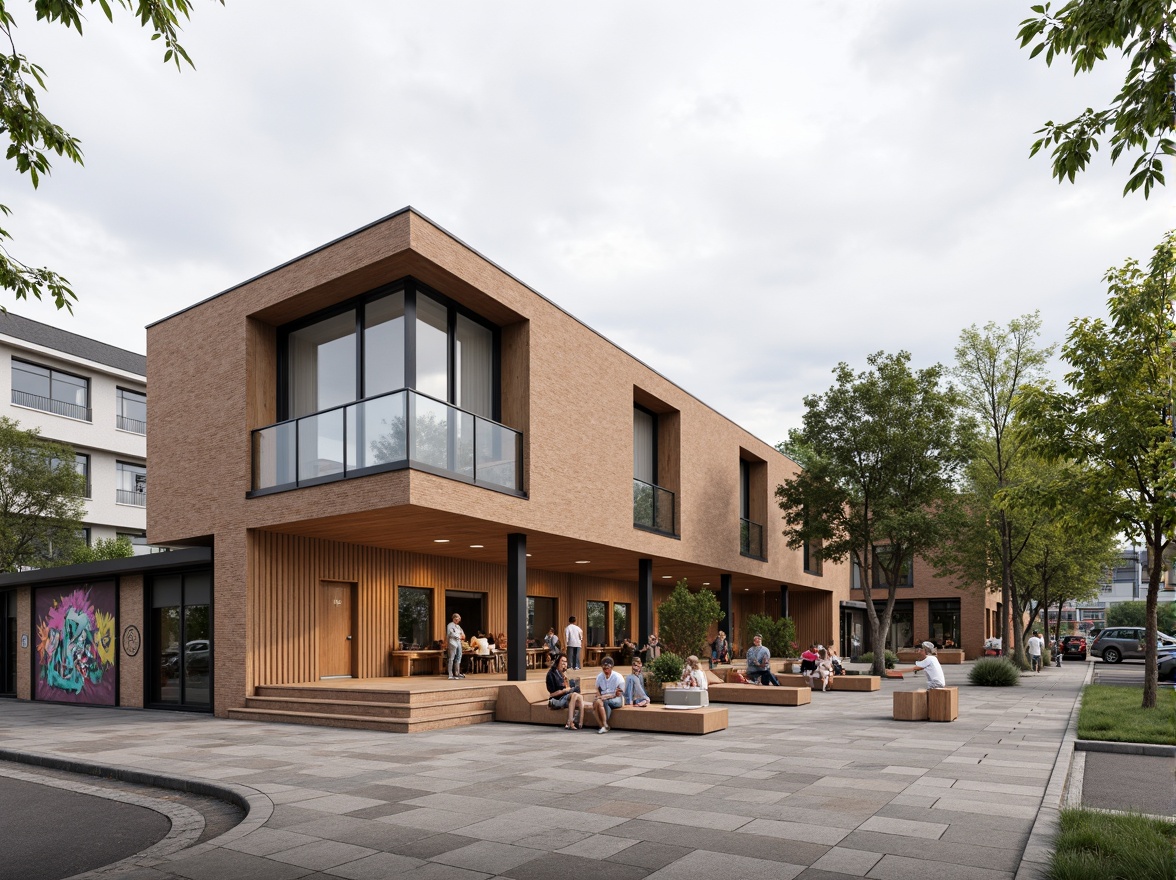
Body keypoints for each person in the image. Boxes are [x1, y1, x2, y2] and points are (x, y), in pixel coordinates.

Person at [546, 653, 585, 730]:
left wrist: (569, 682)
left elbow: (571, 688)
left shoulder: (565, 673)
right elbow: (552, 694)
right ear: (557, 662)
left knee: (579, 696)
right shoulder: (551, 674)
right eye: (562, 661)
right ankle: (570, 722)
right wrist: (565, 691)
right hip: (556, 699)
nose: (564, 663)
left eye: (566, 661)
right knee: (574, 695)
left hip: (565, 697)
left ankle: (580, 723)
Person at [593, 657, 626, 733]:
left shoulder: (618, 677)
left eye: (608, 669)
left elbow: (619, 693)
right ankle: (603, 725)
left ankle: (605, 723)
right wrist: (599, 696)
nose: (606, 671)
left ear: (611, 668)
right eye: (604, 669)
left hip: (617, 698)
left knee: (605, 702)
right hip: (603, 697)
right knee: (596, 704)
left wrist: (605, 697)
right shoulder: (600, 677)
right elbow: (596, 688)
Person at [446, 613, 465, 680]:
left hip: (458, 642)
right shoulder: (450, 625)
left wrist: (461, 636)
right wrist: (459, 636)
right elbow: (451, 634)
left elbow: (463, 635)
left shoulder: (458, 627)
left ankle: (457, 673)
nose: (457, 620)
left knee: (459, 657)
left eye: (458, 619)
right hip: (452, 642)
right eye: (456, 618)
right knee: (451, 658)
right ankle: (450, 674)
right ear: (453, 618)